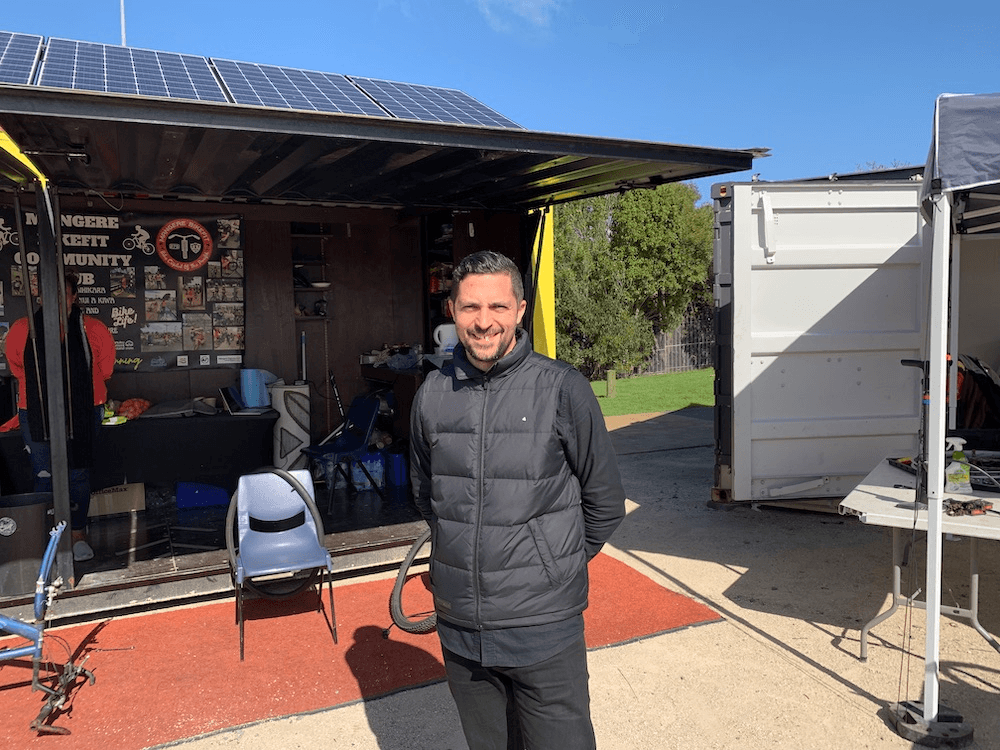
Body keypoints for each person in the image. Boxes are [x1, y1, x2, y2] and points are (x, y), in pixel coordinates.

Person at [410, 251, 626, 750]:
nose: (484, 322)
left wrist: (550, 564)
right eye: (469, 308)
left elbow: (605, 500)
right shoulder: (433, 393)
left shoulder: (562, 389)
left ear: (520, 310)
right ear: (452, 311)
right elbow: (428, 495)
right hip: (462, 627)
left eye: (498, 307)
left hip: (543, 628)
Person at [5, 272, 116, 562]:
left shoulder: (93, 328)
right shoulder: (22, 328)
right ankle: (48, 538)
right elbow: (18, 368)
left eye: (63, 294)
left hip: (85, 407)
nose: (55, 300)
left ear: (74, 297)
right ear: (39, 297)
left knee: (78, 472)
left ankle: (78, 535)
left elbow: (105, 369)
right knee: (44, 475)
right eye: (48, 294)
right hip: (37, 409)